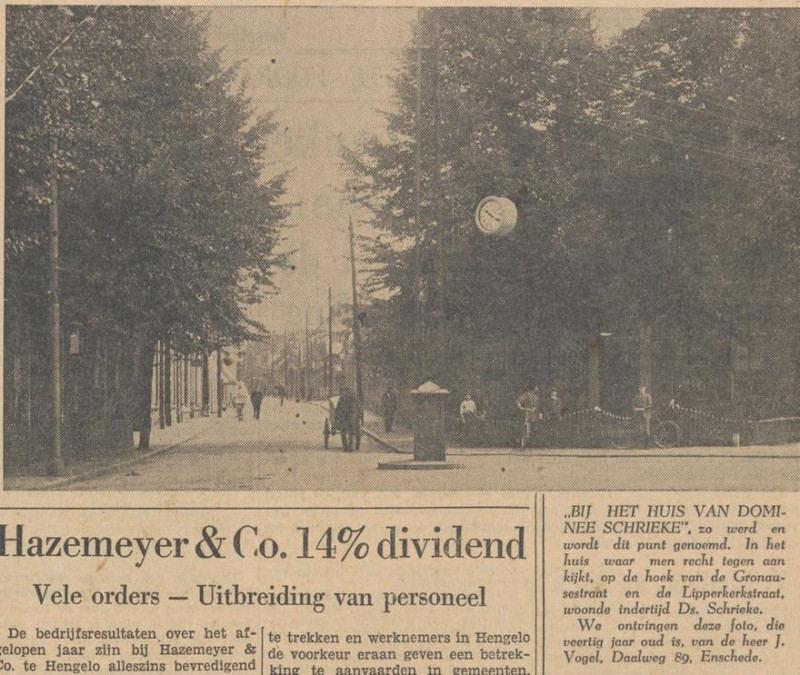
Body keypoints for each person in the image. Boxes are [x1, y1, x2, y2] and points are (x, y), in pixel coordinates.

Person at [334, 387, 361, 452]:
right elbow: (359, 408)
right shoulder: (354, 398)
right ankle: (348, 447)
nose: (348, 392)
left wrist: (337, 417)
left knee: (345, 432)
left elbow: (338, 409)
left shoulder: (343, 398)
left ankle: (346, 447)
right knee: (349, 432)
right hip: (349, 418)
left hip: (346, 418)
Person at [516, 384, 540, 448]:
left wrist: (537, 411)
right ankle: (522, 444)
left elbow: (537, 406)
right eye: (536, 387)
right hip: (527, 414)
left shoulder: (536, 396)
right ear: (534, 387)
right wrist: (522, 408)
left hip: (534, 415)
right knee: (526, 430)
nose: (537, 388)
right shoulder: (526, 394)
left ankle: (527, 445)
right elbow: (518, 401)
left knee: (532, 430)